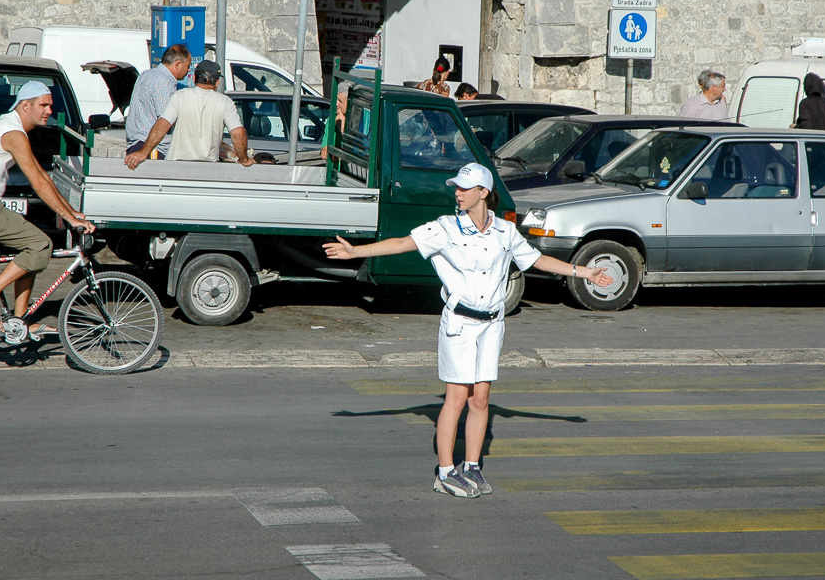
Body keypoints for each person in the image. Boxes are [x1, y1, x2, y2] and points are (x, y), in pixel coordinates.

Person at [322, 163, 613, 498]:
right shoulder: (446, 228)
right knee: (457, 397)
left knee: (481, 397)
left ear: (483, 193)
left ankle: (471, 466)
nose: (456, 193)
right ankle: (445, 472)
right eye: (456, 187)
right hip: (459, 323)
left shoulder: (505, 232)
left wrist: (584, 273)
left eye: (463, 188)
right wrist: (356, 251)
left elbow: (537, 261)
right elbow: (404, 243)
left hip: (492, 324)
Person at [0, 81, 95, 341]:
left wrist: (72, 212)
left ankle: (20, 321)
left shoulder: (12, 128)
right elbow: (38, 183)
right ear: (25, 105)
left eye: (50, 105)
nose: (49, 110)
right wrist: (71, 219)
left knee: (30, 248)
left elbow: (42, 175)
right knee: (40, 246)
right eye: (44, 105)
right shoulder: (13, 133)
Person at [125, 60, 252, 168]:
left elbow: (162, 124)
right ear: (217, 83)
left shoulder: (180, 96)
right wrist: (244, 159)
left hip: (176, 165)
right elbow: (237, 133)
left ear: (195, 78)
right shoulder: (225, 102)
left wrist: (143, 152)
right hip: (208, 167)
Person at [125, 44, 191, 158]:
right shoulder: (163, 83)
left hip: (138, 144)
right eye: (188, 65)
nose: (189, 69)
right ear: (178, 64)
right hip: (152, 148)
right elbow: (165, 121)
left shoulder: (147, 74)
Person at [320, 81, 351, 160]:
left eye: (340, 101)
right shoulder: (332, 119)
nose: (336, 104)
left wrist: (342, 128)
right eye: (336, 100)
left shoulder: (364, 118)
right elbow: (324, 154)